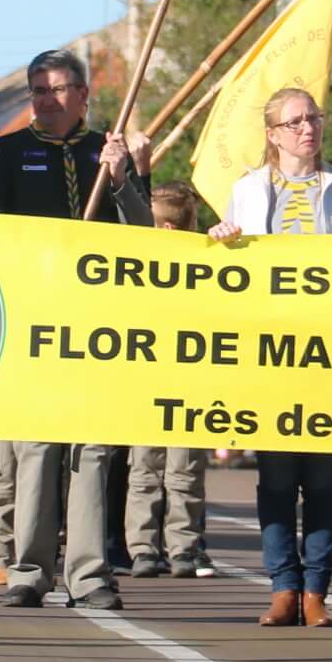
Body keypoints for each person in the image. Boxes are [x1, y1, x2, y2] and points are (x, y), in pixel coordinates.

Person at [0, 48, 151, 611]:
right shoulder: (8, 152)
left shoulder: (108, 150)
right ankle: (30, 569)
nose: (47, 99)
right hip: (33, 319)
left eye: (59, 89)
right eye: (38, 90)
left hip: (98, 324)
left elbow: (144, 233)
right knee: (37, 447)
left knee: (93, 450)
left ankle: (89, 574)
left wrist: (120, 179)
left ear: (84, 94)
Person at [213, 86, 332, 626]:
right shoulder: (247, 190)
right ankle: (283, 586)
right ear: (272, 134)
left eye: (313, 118)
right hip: (269, 356)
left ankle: (316, 591)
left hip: (329, 354)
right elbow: (225, 267)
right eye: (295, 122)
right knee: (279, 476)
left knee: (326, 478)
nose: (308, 128)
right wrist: (220, 238)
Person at [127, 182, 214, 580]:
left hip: (187, 381)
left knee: (179, 467)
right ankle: (152, 546)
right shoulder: (138, 264)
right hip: (152, 379)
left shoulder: (207, 264)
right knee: (153, 466)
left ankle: (177, 547)